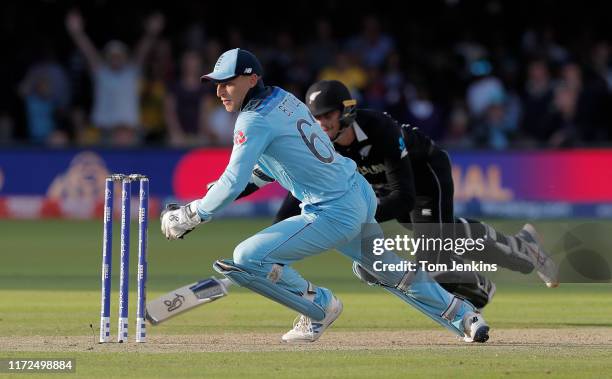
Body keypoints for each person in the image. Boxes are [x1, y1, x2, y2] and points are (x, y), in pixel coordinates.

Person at [160, 48, 491, 344]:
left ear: (251, 79)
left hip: (332, 211)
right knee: (391, 271)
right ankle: (465, 316)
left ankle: (319, 305)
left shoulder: (253, 120)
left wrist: (191, 215)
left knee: (247, 256)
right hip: (357, 193)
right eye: (216, 84)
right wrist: (212, 198)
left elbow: (234, 181)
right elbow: (266, 170)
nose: (219, 91)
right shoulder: (282, 98)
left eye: (227, 83)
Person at [236, 80, 560, 310]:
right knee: (439, 243)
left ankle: (480, 286)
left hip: (423, 176)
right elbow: (299, 192)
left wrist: (347, 216)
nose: (320, 125)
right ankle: (521, 249)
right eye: (316, 117)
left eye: (327, 116)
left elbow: (404, 198)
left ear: (346, 112)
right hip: (379, 188)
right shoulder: (319, 145)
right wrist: (275, 240)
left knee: (435, 263)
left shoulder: (380, 131)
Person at [65, 10, 164, 145]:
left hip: (130, 133)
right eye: (112, 55)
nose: (115, 58)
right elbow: (89, 53)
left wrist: (151, 33)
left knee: (133, 166)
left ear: (125, 57)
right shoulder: (102, 74)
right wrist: (77, 33)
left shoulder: (131, 74)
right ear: (106, 57)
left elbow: (142, 51)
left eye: (119, 55)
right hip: (104, 133)